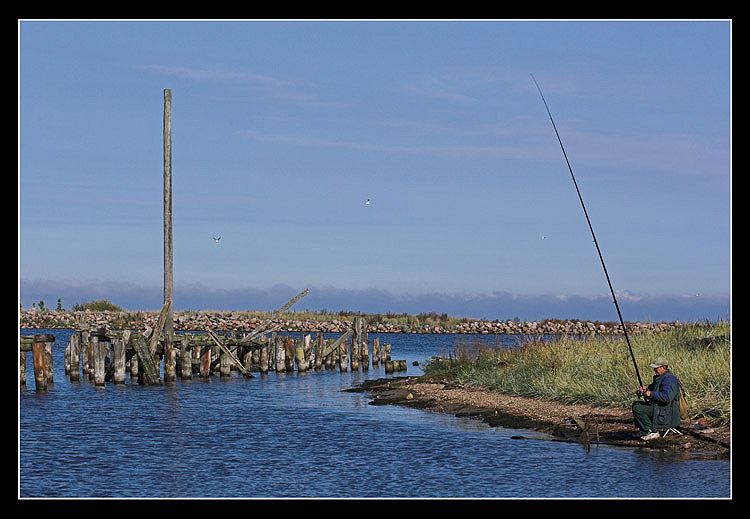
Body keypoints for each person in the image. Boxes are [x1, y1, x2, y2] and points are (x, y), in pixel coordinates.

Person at [631, 357, 682, 440]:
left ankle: (649, 430)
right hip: (659, 407)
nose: (654, 370)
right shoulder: (660, 378)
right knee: (636, 404)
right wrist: (645, 390)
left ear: (663, 367)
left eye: (656, 368)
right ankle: (644, 429)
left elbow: (667, 397)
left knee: (638, 408)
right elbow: (652, 390)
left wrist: (651, 394)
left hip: (666, 411)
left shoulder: (670, 379)